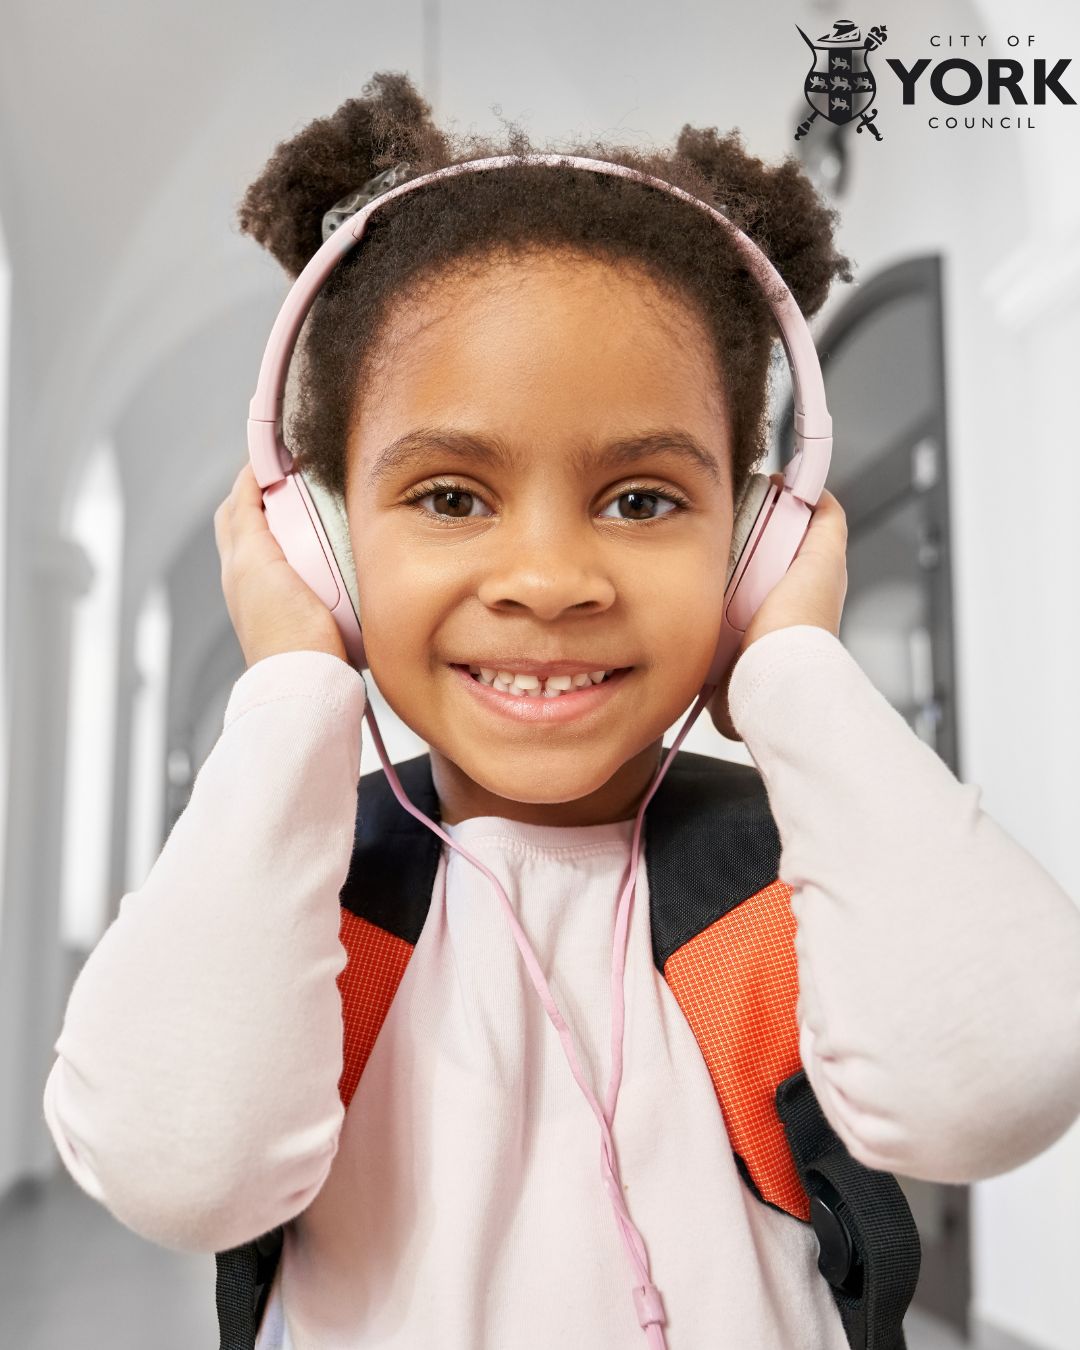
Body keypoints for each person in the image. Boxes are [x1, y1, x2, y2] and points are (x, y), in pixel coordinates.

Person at [42, 71, 1080, 1349]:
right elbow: (175, 1164)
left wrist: (793, 665)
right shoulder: (315, 894)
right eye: (450, 497)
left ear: (752, 543)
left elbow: (1003, 1081)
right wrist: (295, 682)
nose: (547, 583)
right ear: (323, 542)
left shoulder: (782, 876)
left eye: (643, 499)